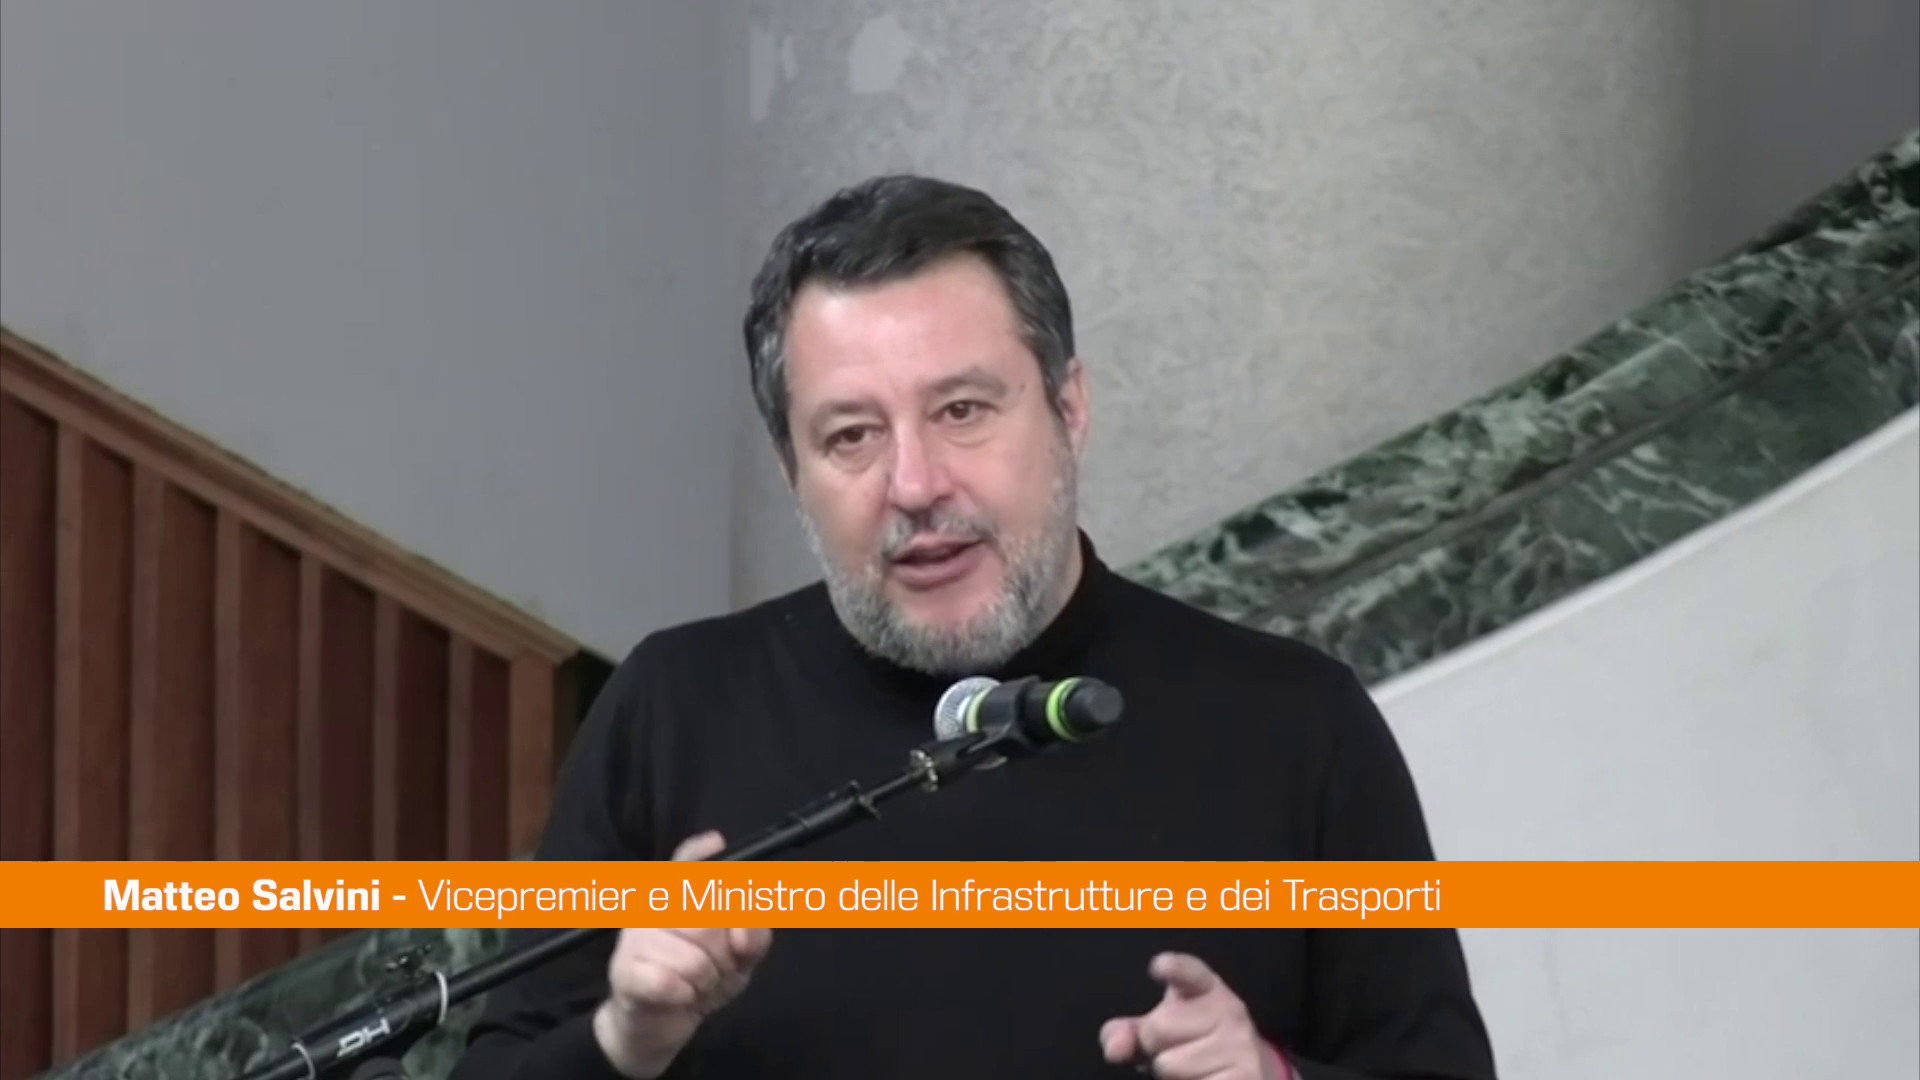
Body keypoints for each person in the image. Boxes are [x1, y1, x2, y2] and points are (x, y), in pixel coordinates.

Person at [447, 175, 1497, 1080]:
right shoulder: (675, 707)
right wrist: (625, 1042)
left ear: (1069, 409)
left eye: (962, 411)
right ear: (791, 469)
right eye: (851, 435)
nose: (914, 484)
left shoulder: (1293, 722)